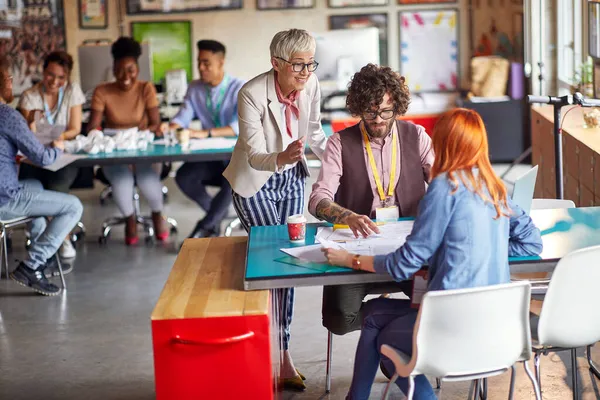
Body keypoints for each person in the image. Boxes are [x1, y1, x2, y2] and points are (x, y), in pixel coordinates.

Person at [323, 108, 543, 400]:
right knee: (374, 314)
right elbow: (531, 243)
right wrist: (477, 250)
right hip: (496, 323)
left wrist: (351, 259)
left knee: (384, 341)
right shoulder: (496, 187)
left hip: (451, 323)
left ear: (443, 144)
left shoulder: (444, 188)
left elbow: (404, 265)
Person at [222, 29, 327, 391]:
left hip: (292, 180)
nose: (306, 72)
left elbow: (314, 132)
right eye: (299, 65)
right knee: (274, 265)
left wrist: (337, 164)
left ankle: (283, 357)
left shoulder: (311, 85)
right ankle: (256, 353)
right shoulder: (250, 94)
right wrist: (281, 157)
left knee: (291, 262)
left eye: (311, 63)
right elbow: (253, 154)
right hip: (256, 182)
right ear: (276, 63)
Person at [308, 63, 434, 336]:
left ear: (397, 107)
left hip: (407, 249)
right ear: (358, 108)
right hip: (357, 249)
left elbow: (443, 186)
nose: (378, 119)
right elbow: (318, 199)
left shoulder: (417, 137)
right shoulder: (339, 143)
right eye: (370, 112)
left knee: (435, 301)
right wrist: (348, 216)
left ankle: (389, 338)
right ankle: (385, 321)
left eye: (386, 111)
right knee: (339, 319)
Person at [0, 58, 83, 296]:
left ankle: (41, 255)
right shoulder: (7, 115)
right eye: (9, 78)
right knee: (73, 206)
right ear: (3, 82)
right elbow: (44, 158)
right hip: (5, 200)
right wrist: (57, 146)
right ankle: (32, 265)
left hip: (7, 190)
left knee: (34, 183)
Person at [87, 37, 166, 246]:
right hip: (115, 151)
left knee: (147, 180)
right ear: (113, 69)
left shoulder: (146, 88)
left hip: (141, 149)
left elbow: (156, 124)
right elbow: (93, 126)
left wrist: (145, 130)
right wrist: (98, 134)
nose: (126, 76)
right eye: (120, 70)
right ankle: (130, 218)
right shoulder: (102, 91)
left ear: (138, 68)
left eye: (131, 69)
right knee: (123, 181)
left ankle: (157, 214)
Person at [161, 40, 244, 238]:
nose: (201, 68)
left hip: (237, 157)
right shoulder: (195, 88)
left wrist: (204, 133)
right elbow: (183, 116)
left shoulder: (238, 87)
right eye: (199, 62)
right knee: (184, 176)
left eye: (206, 63)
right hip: (212, 157)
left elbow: (238, 126)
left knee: (235, 178)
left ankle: (204, 227)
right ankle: (215, 216)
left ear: (221, 63)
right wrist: (171, 126)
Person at [17, 50, 85, 260]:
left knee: (58, 188)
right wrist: (34, 130)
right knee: (34, 189)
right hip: (35, 157)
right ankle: (44, 236)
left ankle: (61, 237)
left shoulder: (73, 91)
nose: (54, 81)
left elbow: (75, 127)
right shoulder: (29, 96)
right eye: (50, 74)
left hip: (61, 154)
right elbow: (25, 133)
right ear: (43, 71)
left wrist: (58, 137)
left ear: (67, 77)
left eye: (61, 77)